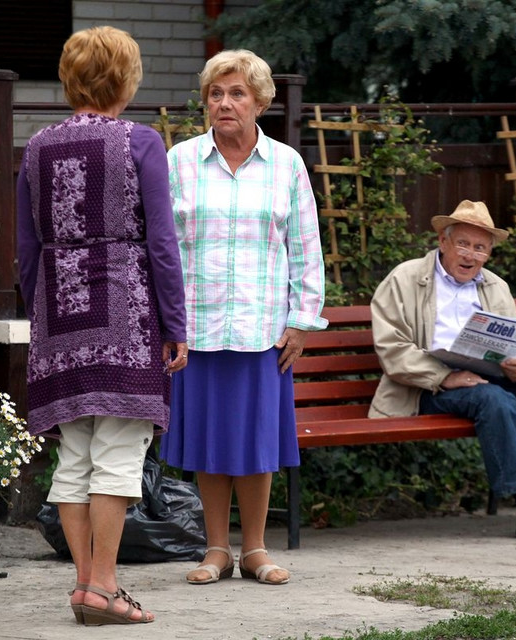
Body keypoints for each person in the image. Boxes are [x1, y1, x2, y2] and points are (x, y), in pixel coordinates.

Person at [16, 26, 188, 624]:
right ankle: (107, 587)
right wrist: (175, 323)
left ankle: (86, 584)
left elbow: (27, 247)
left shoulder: (36, 146)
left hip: (58, 312)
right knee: (119, 450)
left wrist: (41, 318)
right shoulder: (140, 142)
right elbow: (162, 243)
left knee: (75, 455)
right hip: (126, 310)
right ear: (124, 78)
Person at [160, 49, 328, 585]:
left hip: (263, 330)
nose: (225, 103)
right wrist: (168, 323)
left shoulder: (287, 165)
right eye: (216, 93)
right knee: (211, 442)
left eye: (236, 93)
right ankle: (215, 550)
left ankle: (255, 550)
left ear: (259, 102)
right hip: (200, 328)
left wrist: (303, 320)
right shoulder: (180, 161)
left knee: (256, 444)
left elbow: (305, 247)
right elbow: (161, 248)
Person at [369, 200, 516, 542]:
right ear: (443, 242)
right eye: (463, 244)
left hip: (487, 378)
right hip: (427, 388)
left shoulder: (494, 286)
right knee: (494, 399)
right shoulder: (406, 278)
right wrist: (444, 377)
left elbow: (512, 343)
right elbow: (391, 348)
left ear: (488, 253)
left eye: (480, 248)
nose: (470, 255)